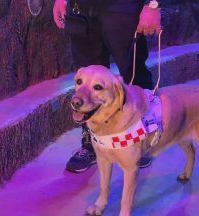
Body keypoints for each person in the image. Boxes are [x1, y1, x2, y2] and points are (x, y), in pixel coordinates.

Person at [53, 0, 161, 173]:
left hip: (123, 9)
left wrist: (152, 5)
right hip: (81, 10)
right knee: (88, 82)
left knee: (134, 75)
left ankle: (142, 139)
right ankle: (91, 143)